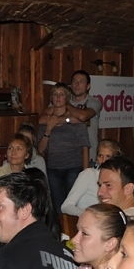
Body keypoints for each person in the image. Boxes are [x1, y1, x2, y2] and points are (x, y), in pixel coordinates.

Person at [37, 83, 91, 213]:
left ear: (67, 97)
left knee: (73, 206)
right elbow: (40, 149)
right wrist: (49, 129)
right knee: (57, 208)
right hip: (53, 169)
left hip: (74, 167)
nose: (58, 97)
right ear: (51, 98)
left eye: (61, 94)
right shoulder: (45, 121)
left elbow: (85, 147)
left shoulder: (76, 121)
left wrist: (85, 173)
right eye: (55, 94)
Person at [61, 139, 122, 216]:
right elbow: (66, 206)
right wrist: (89, 215)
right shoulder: (88, 174)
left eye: (108, 156)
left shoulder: (118, 177)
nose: (103, 160)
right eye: (100, 156)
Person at [68, 70, 102, 162]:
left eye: (81, 82)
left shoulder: (94, 102)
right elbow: (43, 118)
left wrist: (65, 105)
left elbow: (83, 116)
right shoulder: (61, 99)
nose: (77, 84)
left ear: (88, 86)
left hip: (89, 157)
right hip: (67, 158)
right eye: (74, 81)